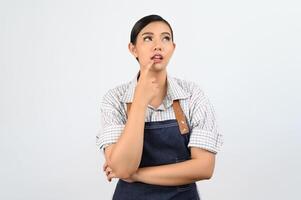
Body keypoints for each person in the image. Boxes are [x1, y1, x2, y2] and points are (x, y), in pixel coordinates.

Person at [96, 14, 223, 200]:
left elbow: (204, 167)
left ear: (173, 47)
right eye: (148, 38)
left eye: (166, 38)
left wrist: (136, 174)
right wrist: (140, 100)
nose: (158, 45)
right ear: (133, 49)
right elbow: (122, 167)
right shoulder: (115, 99)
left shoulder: (192, 95)